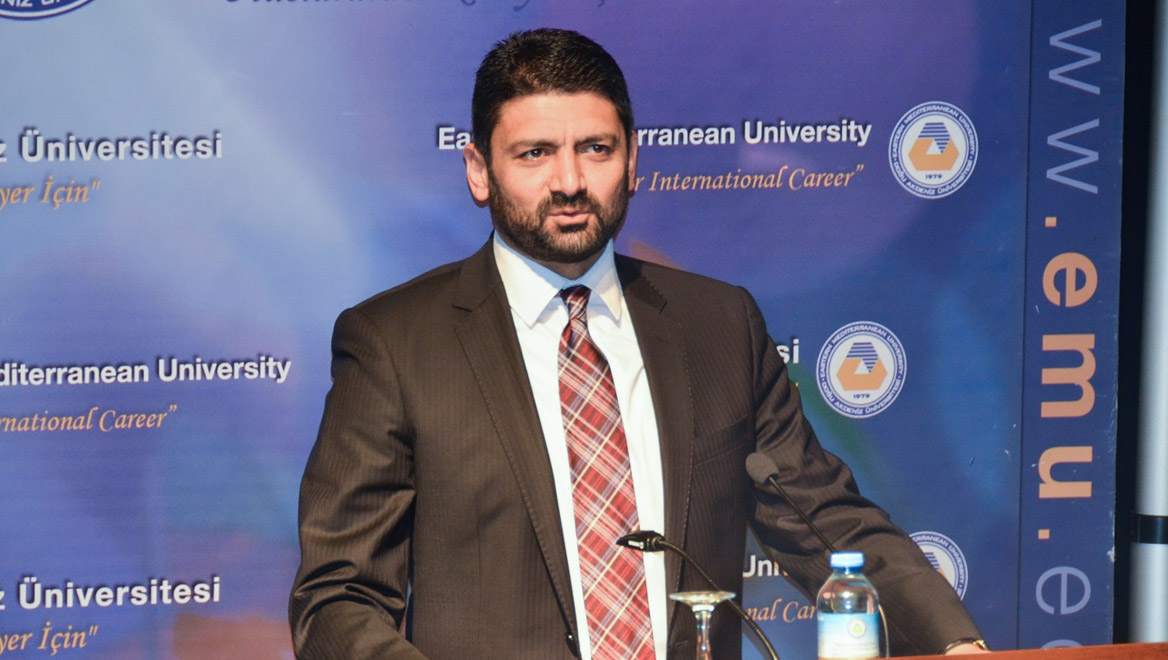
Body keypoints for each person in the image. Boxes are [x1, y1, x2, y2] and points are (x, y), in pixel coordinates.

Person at [289, 28, 988, 660]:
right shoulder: (396, 344)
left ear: (631, 162)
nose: (569, 182)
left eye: (595, 149)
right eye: (534, 153)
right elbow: (338, 598)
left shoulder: (720, 325)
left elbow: (826, 521)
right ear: (479, 170)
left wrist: (954, 643)